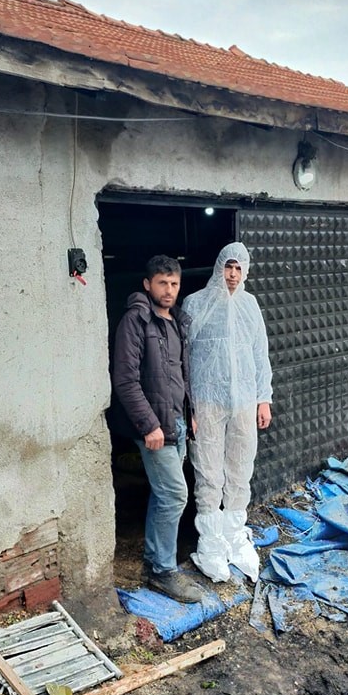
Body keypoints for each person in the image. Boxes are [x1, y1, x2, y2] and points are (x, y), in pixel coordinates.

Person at [109, 255, 205, 604]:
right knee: (176, 494)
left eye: (175, 283)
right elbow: (125, 379)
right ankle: (162, 571)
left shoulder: (176, 321)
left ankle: (156, 561)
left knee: (165, 493)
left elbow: (181, 373)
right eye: (162, 283)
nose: (169, 290)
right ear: (147, 285)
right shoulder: (135, 320)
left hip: (175, 422)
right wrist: (149, 425)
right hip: (154, 426)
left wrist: (188, 412)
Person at [182, 242, 273, 583]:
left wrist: (264, 398)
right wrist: (187, 404)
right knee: (208, 469)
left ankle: (235, 535)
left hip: (245, 401)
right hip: (207, 401)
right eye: (228, 266)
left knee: (239, 466)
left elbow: (260, 354)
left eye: (239, 268)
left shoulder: (250, 306)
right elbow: (184, 359)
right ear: (218, 267)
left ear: (245, 271)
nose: (233, 274)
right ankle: (210, 543)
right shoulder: (195, 303)